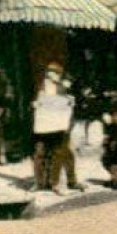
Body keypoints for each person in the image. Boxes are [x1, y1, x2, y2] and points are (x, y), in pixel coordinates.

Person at [31, 63, 83, 193]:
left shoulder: (63, 88)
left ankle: (61, 182)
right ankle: (40, 182)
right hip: (43, 126)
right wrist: (35, 105)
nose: (51, 75)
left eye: (55, 73)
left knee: (62, 153)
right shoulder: (42, 87)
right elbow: (38, 103)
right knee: (40, 153)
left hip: (60, 126)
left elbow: (69, 106)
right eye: (50, 72)